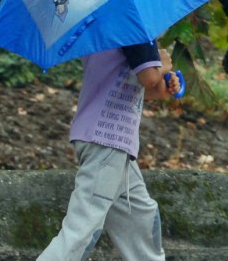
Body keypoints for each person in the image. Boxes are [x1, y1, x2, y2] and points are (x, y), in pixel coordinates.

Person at [38, 40, 182, 261]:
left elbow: (139, 87)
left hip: (110, 142)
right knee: (81, 230)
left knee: (138, 217)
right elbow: (148, 77)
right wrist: (162, 63)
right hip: (107, 141)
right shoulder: (133, 24)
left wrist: (166, 85)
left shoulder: (104, 28)